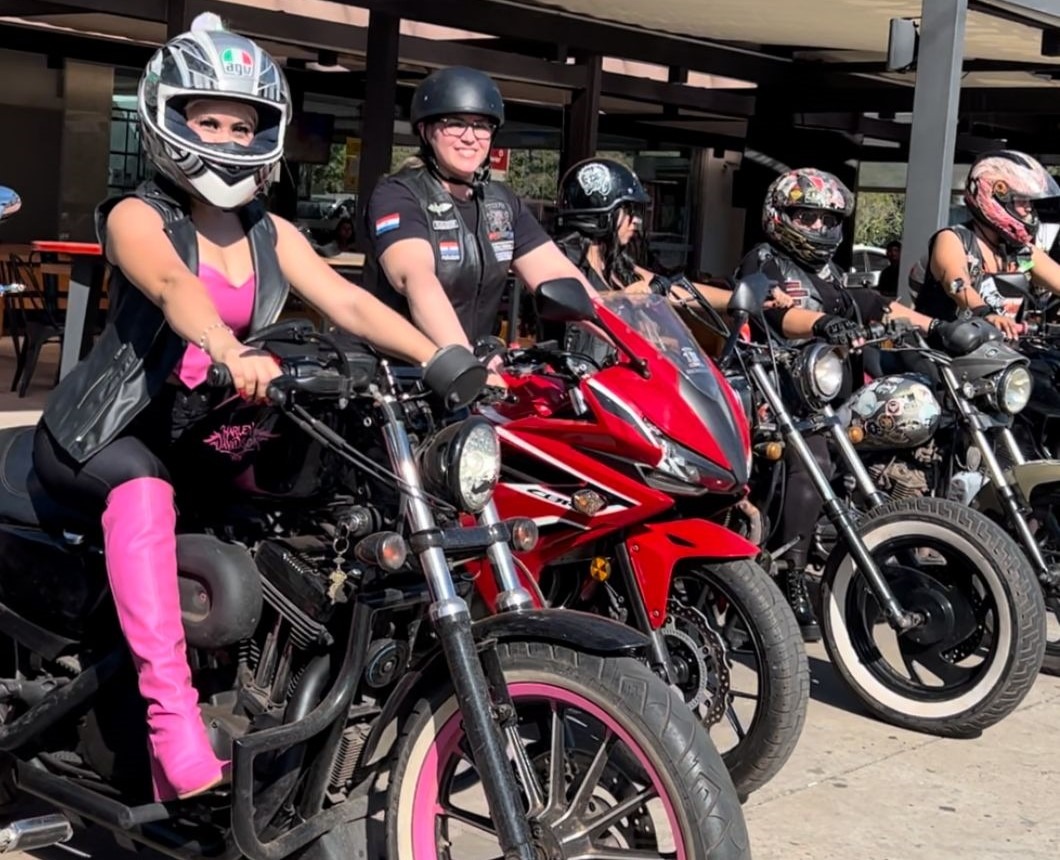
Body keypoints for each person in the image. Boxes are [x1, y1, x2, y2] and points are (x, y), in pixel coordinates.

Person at [31, 13, 467, 803]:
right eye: (210, 121)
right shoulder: (136, 215)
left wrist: (441, 357)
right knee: (144, 493)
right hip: (104, 434)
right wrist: (228, 350)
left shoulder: (270, 229)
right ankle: (172, 728)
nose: (229, 138)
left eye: (244, 124)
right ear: (172, 119)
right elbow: (172, 287)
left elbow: (345, 301)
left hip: (204, 431)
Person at [737, 167, 945, 641]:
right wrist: (819, 324)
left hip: (830, 397)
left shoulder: (828, 270)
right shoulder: (764, 259)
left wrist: (932, 327)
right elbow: (773, 308)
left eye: (825, 219)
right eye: (804, 215)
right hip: (780, 400)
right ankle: (787, 574)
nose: (816, 227)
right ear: (779, 214)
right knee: (812, 459)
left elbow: (871, 301)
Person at [362, 66, 596, 380]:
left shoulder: (501, 203)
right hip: (402, 379)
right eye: (454, 124)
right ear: (426, 130)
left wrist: (634, 341)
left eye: (482, 126)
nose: (470, 137)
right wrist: (468, 363)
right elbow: (417, 280)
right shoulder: (399, 194)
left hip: (475, 374)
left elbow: (558, 275)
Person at [913, 150, 1060, 338]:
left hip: (997, 355)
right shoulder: (954, 239)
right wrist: (985, 313)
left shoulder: (1021, 254)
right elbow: (957, 284)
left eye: (1030, 202)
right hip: (941, 352)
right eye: (1021, 201)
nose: (1028, 210)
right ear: (994, 196)